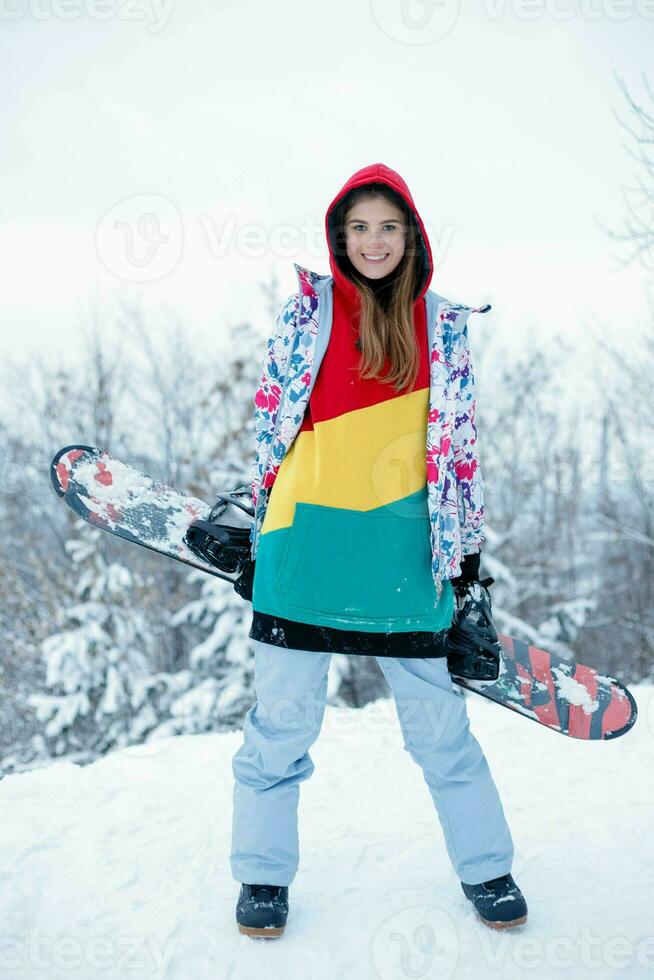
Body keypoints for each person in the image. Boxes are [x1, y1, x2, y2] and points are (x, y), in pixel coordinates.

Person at [231, 163, 528, 938]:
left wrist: (465, 565)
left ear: (412, 236)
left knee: (441, 732)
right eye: (358, 227)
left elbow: (458, 450)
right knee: (280, 726)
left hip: (405, 560)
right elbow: (271, 422)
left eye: (387, 227)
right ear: (340, 235)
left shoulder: (444, 324)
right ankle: (263, 879)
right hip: (305, 551)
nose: (372, 241)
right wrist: (259, 525)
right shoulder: (310, 312)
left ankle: (488, 870)